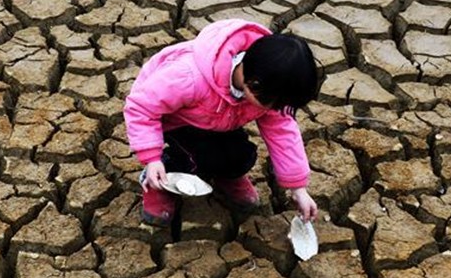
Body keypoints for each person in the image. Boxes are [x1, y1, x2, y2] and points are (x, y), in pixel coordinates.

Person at [123, 18, 324, 226]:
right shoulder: (188, 77)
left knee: (241, 156)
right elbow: (141, 108)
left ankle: (226, 177)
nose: (275, 111)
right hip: (175, 119)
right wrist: (151, 158)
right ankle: (158, 181)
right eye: (273, 105)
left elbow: (282, 132)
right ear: (253, 85)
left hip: (219, 119)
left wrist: (298, 188)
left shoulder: (270, 89)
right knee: (197, 158)